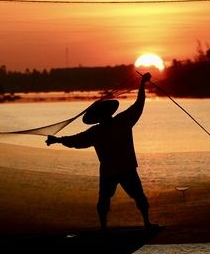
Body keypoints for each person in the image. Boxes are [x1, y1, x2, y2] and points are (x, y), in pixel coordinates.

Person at [47, 73, 153, 231]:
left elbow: (139, 104)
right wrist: (58, 140)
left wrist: (142, 84)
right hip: (120, 169)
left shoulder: (114, 124)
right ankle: (136, 225)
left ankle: (142, 224)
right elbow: (76, 140)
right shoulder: (117, 123)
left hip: (118, 170)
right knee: (112, 200)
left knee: (130, 197)